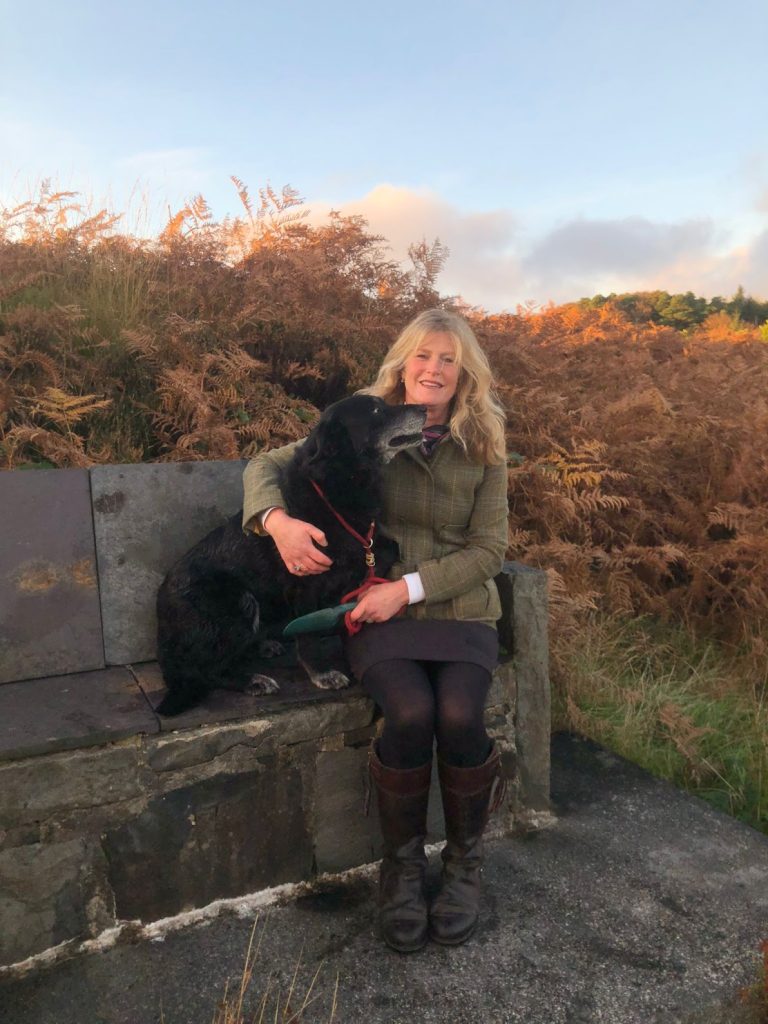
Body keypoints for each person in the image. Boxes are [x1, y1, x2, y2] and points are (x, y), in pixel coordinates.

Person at [242, 308, 509, 952]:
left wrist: (409, 589)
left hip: (459, 607)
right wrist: (274, 522)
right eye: (423, 356)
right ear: (403, 360)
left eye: (449, 359)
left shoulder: (485, 442)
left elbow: (490, 550)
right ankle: (403, 869)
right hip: (372, 604)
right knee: (411, 711)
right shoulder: (365, 416)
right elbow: (268, 463)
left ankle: (466, 866)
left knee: (461, 715)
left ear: (465, 371)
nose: (434, 369)